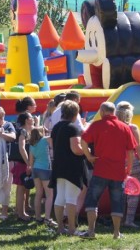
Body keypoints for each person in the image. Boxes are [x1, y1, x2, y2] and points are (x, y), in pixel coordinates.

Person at [79, 102, 137, 240]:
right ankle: (116, 233)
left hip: (100, 170)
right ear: (113, 112)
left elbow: (83, 141)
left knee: (92, 201)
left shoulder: (96, 125)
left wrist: (89, 156)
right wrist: (128, 169)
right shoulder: (124, 127)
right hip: (118, 172)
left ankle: (91, 232)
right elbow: (130, 152)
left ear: (102, 111)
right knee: (117, 202)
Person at [52, 100, 87, 236]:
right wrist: (86, 149)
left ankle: (60, 228)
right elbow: (76, 149)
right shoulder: (73, 128)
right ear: (76, 113)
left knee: (60, 197)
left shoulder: (56, 127)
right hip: (71, 167)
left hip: (58, 165)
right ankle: (72, 229)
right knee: (71, 198)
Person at [115, 101, 140, 228]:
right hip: (132, 161)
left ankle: (120, 220)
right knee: (134, 191)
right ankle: (129, 220)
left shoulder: (113, 127)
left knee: (120, 192)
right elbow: (138, 148)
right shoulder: (133, 128)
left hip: (117, 163)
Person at [28, 126, 54, 226]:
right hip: (45, 169)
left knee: (38, 193)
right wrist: (48, 131)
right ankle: (47, 218)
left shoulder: (32, 145)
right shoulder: (45, 139)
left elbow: (31, 161)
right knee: (49, 195)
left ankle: (38, 217)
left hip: (35, 169)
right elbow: (53, 137)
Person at [11, 112, 32, 221]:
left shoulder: (22, 130)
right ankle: (21, 213)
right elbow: (22, 148)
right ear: (26, 120)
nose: (33, 119)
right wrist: (28, 162)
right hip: (23, 164)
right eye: (31, 118)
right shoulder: (23, 131)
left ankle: (19, 211)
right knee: (21, 190)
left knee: (21, 190)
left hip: (21, 163)